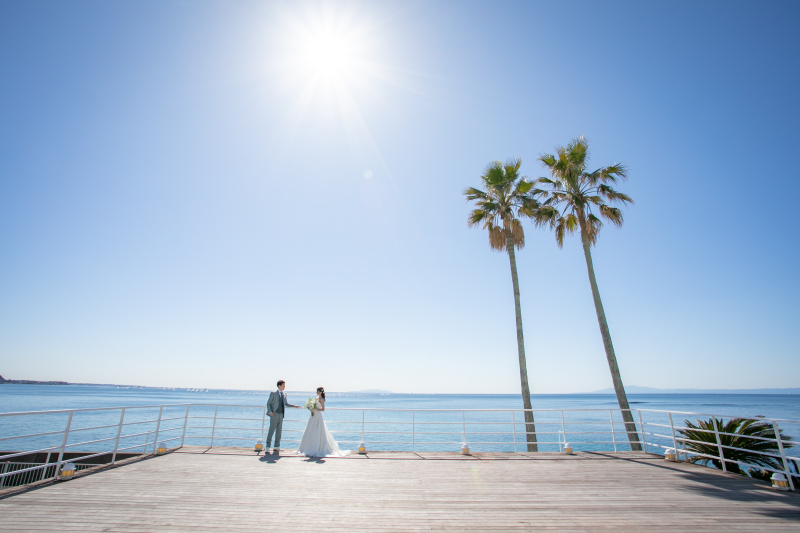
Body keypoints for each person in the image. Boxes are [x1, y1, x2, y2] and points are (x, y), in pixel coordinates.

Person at [297, 387, 351, 457]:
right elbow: (313, 405)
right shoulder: (316, 398)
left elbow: (323, 409)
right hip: (313, 416)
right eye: (318, 391)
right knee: (311, 430)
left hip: (318, 416)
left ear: (321, 392)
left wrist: (315, 409)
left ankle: (317, 447)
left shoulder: (322, 399)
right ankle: (308, 446)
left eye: (319, 391)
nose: (318, 392)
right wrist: (311, 408)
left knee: (318, 430)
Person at [266, 380, 300, 452]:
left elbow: (286, 404)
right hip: (274, 415)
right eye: (283, 385)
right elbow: (268, 403)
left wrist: (294, 406)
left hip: (281, 415)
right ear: (279, 386)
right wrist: (270, 412)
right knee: (271, 430)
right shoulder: (273, 394)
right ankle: (267, 447)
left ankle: (277, 446)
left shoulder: (284, 394)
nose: (284, 387)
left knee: (279, 431)